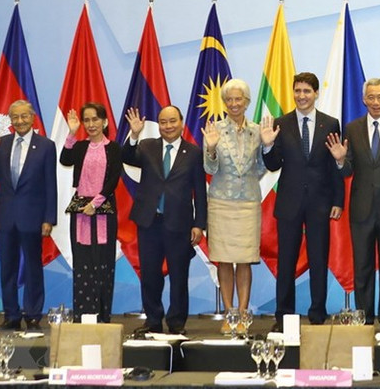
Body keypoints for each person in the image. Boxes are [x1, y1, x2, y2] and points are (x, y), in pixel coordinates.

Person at [327, 78, 380, 335]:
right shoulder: (352, 129)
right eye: (371, 97)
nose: (376, 102)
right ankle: (364, 317)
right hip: (362, 210)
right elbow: (348, 170)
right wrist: (341, 161)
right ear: (364, 100)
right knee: (362, 266)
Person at [260, 72, 344, 330]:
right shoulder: (280, 123)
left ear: (316, 93)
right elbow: (273, 165)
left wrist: (338, 200)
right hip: (289, 202)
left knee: (319, 260)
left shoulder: (330, 123)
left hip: (320, 202)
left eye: (307, 91)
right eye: (297, 91)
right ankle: (283, 316)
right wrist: (266, 146)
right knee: (286, 261)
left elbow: (334, 164)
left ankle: (318, 313)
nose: (302, 96)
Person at [123, 105, 206, 335]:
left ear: (181, 122)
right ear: (158, 125)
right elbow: (127, 157)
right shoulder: (147, 146)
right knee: (150, 275)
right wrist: (135, 135)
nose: (168, 126)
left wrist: (199, 224)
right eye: (163, 122)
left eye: (172, 121)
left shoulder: (194, 152)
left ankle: (177, 323)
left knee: (179, 276)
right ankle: (152, 320)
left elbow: (200, 191)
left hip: (179, 223)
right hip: (149, 221)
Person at [0, 99, 57, 331]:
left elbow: (50, 185)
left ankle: (33, 315)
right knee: (8, 269)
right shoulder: (1, 143)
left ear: (33, 117)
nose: (20, 121)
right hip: (6, 217)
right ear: (10, 120)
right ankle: (11, 315)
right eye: (15, 117)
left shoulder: (46, 145)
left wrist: (48, 218)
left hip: (33, 217)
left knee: (34, 267)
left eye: (24, 116)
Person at [202, 79, 265, 330]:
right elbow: (209, 167)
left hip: (248, 202)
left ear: (247, 102)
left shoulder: (258, 130)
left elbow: (261, 166)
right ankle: (230, 315)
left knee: (245, 259)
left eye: (239, 99)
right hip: (221, 202)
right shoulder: (214, 129)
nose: (234, 104)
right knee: (225, 260)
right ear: (225, 103)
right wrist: (211, 148)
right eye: (229, 99)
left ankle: (243, 313)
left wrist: (268, 144)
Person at [58, 103, 122, 323]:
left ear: (104, 122)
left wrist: (96, 203)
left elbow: (113, 179)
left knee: (103, 263)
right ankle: (84, 315)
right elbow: (64, 160)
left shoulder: (113, 148)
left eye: (95, 119)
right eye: (87, 120)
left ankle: (103, 316)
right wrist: (72, 133)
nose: (91, 124)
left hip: (103, 208)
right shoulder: (80, 147)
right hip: (81, 211)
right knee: (83, 263)